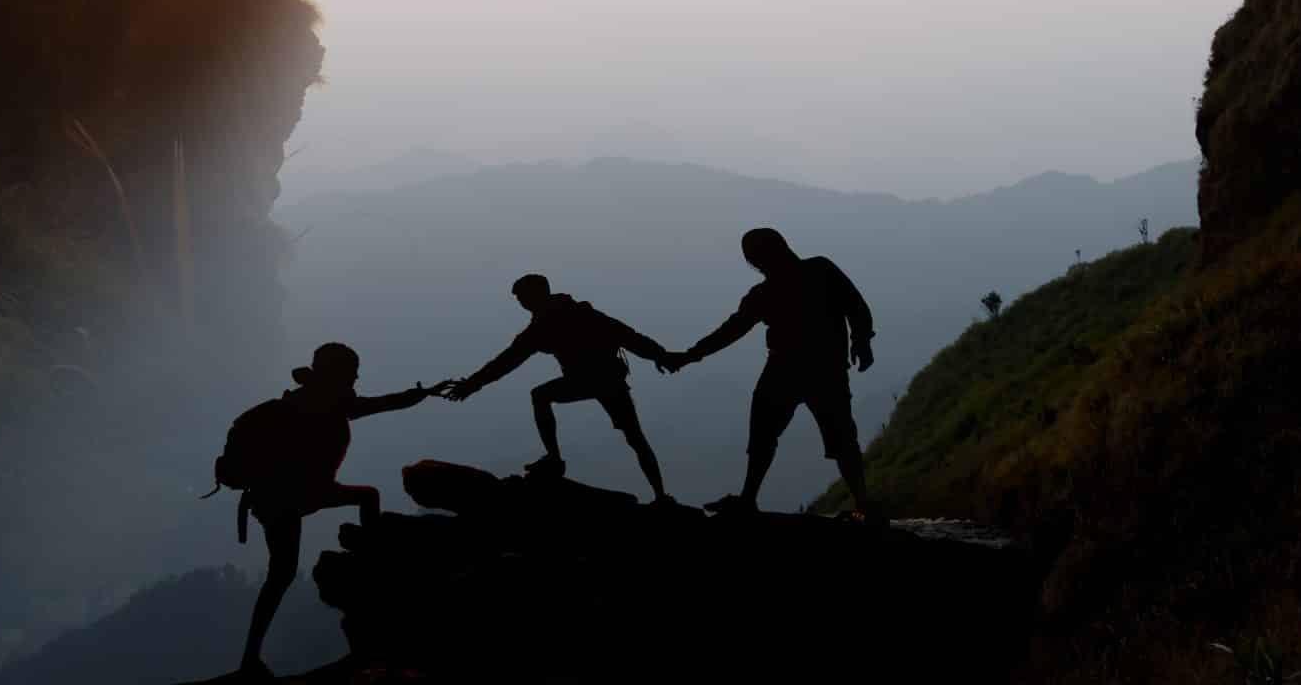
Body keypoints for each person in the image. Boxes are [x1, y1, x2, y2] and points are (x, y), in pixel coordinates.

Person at [237, 343, 446, 677]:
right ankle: (376, 567)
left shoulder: (300, 398)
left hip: (273, 497)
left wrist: (418, 395)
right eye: (352, 369)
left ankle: (249, 659)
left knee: (280, 575)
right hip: (303, 492)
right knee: (367, 498)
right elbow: (379, 405)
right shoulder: (330, 401)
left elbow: (372, 405)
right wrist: (419, 395)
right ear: (337, 371)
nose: (357, 376)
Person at [666, 228, 882, 522]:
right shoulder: (819, 270)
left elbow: (731, 331)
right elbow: (856, 307)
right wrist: (861, 340)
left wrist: (689, 356)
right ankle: (862, 504)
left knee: (768, 436)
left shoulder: (766, 293)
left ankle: (749, 499)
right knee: (837, 437)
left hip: (787, 370)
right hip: (822, 368)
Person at [446, 274, 679, 502]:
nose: (520, 303)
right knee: (635, 437)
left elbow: (505, 362)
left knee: (541, 396)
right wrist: (660, 355)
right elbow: (628, 336)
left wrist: (471, 385)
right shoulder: (574, 314)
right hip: (607, 380)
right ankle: (660, 495)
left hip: (595, 380)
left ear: (536, 294)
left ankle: (555, 459)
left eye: (522, 297)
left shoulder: (549, 324)